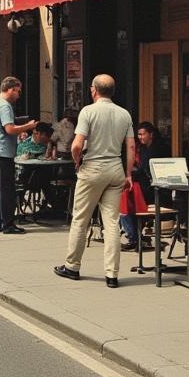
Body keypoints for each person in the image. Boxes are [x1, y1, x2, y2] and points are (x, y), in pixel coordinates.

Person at [54, 74, 135, 288]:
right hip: (115, 168)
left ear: (94, 91)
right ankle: (112, 274)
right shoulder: (124, 114)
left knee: (81, 218)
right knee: (111, 223)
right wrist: (128, 174)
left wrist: (77, 162)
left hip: (92, 168)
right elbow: (131, 147)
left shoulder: (88, 112)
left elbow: (76, 145)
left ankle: (72, 266)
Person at [0, 77, 37, 235]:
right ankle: (8, 224)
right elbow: (9, 129)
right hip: (2, 153)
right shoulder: (5, 106)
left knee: (0, 189)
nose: (19, 95)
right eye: (18, 91)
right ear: (10, 89)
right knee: (7, 190)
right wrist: (28, 126)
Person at [120, 121, 169, 250]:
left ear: (151, 134)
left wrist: (128, 177)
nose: (140, 137)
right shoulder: (145, 148)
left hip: (156, 190)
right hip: (149, 186)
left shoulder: (155, 149)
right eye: (139, 135)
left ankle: (133, 237)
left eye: (143, 134)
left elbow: (142, 169)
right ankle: (134, 236)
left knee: (125, 201)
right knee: (126, 199)